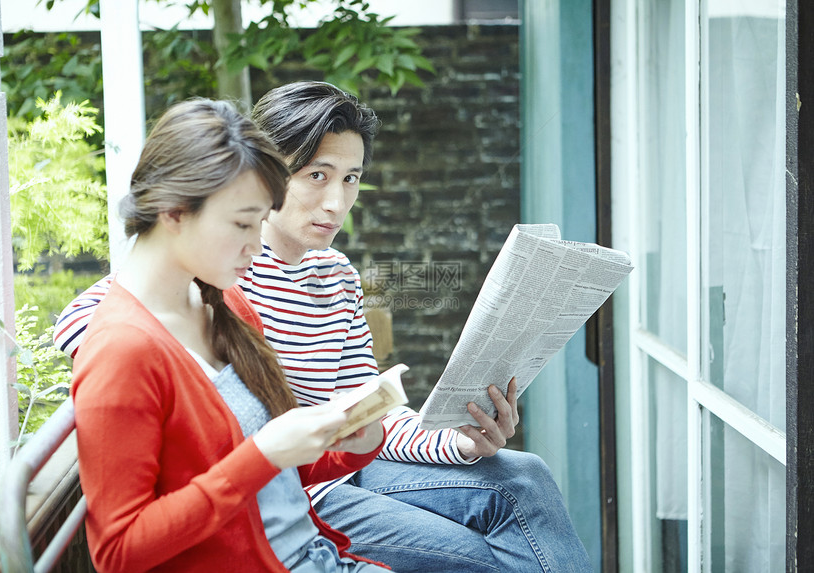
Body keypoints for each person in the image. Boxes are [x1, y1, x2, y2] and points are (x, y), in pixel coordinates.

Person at [56, 83, 592, 572]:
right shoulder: (214, 275)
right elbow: (91, 322)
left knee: (524, 478)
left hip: (328, 465)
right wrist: (186, 371)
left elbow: (364, 407)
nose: (337, 202)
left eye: (351, 179)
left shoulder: (331, 275)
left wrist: (457, 442)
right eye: (317, 176)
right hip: (300, 488)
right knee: (481, 559)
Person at [69, 98, 391, 572]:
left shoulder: (223, 304)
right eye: (243, 223)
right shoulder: (123, 350)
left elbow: (279, 472)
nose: (256, 244)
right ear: (173, 211)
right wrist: (260, 455)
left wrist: (351, 444)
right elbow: (119, 552)